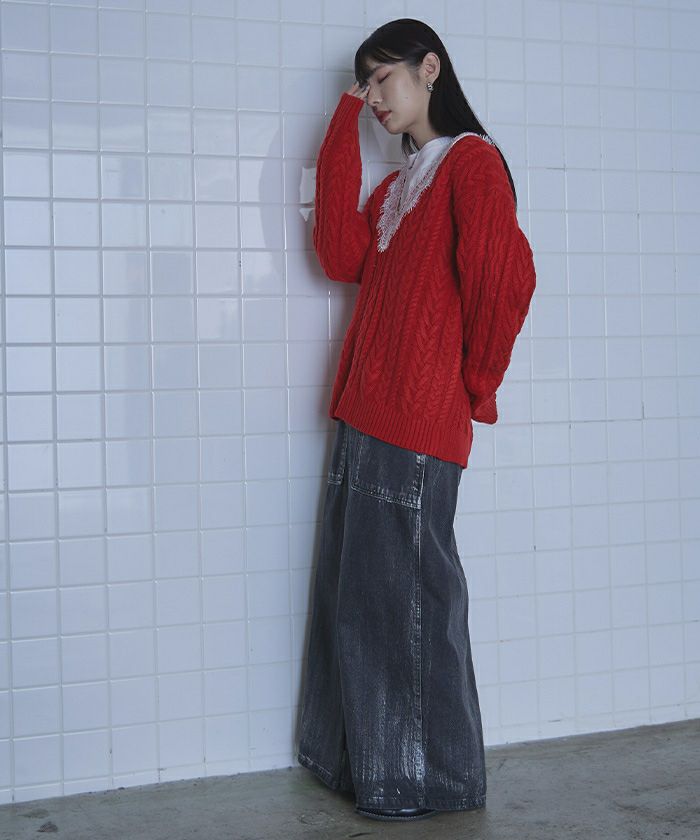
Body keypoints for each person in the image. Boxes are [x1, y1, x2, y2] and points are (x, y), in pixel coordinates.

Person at [296, 18, 536, 823]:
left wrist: (472, 387)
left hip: (416, 420)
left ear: (430, 68)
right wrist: (341, 120)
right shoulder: (400, 186)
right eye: (363, 85)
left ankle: (432, 781)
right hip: (364, 413)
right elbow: (339, 254)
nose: (374, 97)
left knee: (409, 601)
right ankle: (360, 769)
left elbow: (503, 280)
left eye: (383, 79)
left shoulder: (472, 163)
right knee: (358, 599)